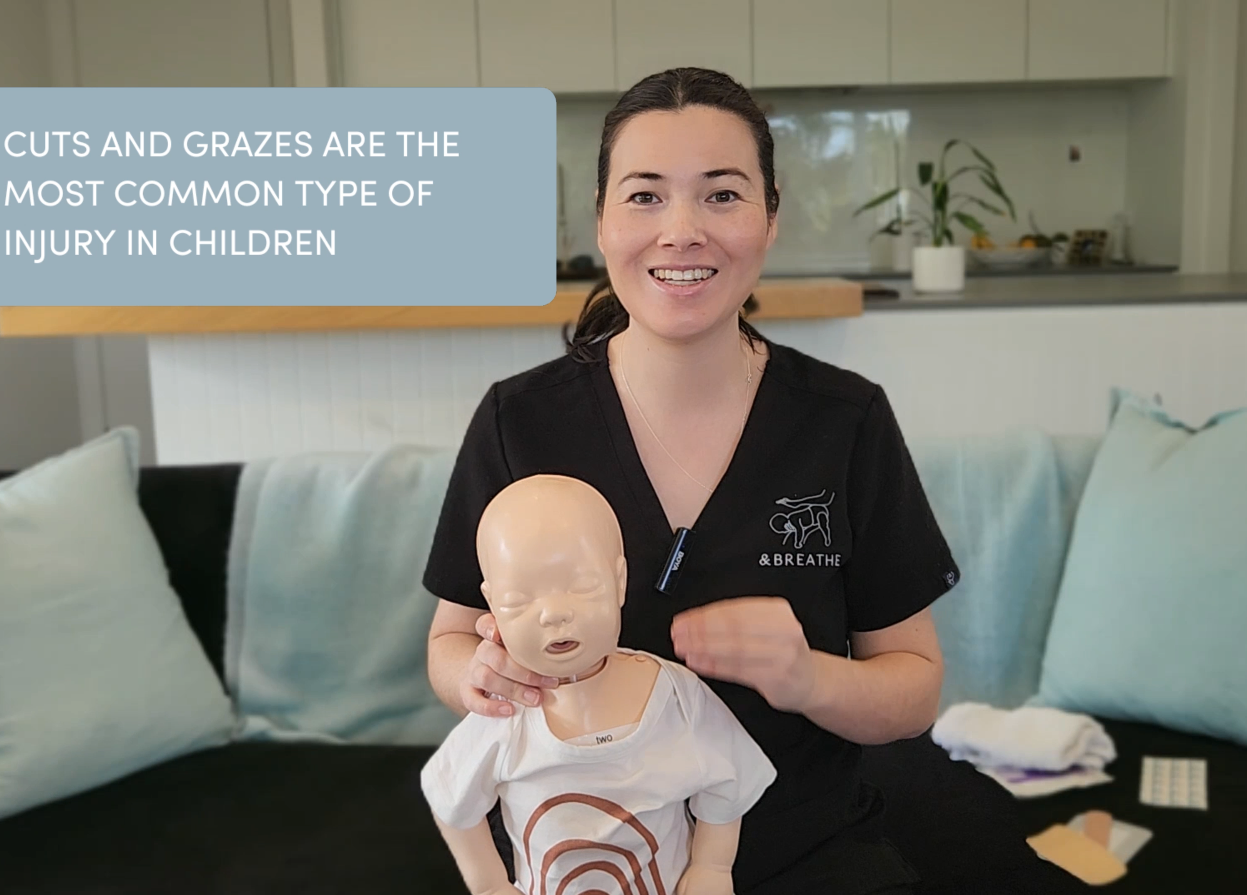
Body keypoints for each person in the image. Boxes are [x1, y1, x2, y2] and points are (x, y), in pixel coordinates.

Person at [423, 67, 1080, 895]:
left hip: (805, 845)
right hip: (582, 857)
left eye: (722, 195)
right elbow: (449, 644)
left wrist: (807, 675)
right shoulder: (518, 421)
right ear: (602, 218)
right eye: (645, 196)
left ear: (771, 217)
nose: (682, 230)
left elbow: (911, 692)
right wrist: (480, 678)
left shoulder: (843, 420)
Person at [421, 473, 776, 895]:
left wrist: (712, 867)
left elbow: (729, 778)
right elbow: (449, 799)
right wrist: (491, 885)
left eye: (582, 586)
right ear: (493, 604)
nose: (552, 613)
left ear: (619, 581)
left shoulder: (675, 696)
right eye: (519, 600)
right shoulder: (508, 711)